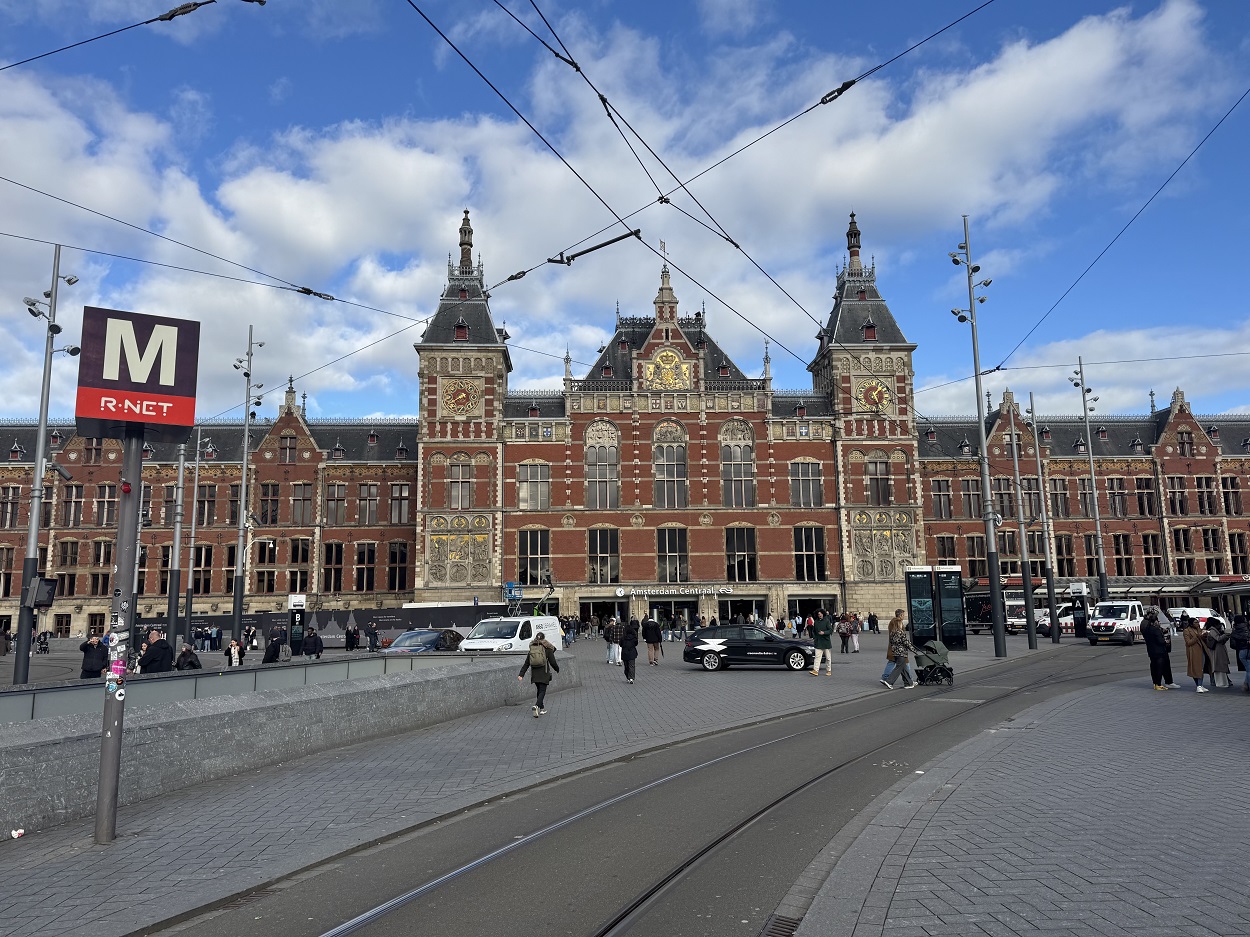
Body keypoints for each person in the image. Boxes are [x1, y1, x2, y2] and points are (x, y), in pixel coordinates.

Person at [517, 630, 559, 716]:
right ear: (544, 638)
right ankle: (536, 706)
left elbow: (526, 663)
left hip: (535, 673)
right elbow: (553, 662)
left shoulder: (532, 649)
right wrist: (557, 669)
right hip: (544, 672)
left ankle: (542, 708)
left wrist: (521, 674)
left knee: (539, 690)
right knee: (542, 690)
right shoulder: (547, 649)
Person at [1140, 610, 1177, 690]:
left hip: (1151, 651)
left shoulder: (1147, 628)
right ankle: (1158, 684)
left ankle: (1156, 683)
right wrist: (1165, 641)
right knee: (1159, 667)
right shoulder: (1155, 629)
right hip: (1159, 651)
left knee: (1154, 667)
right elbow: (1160, 641)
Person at [880, 610, 917, 689]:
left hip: (895, 651)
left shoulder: (893, 632)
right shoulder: (899, 631)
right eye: (903, 615)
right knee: (899, 666)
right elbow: (905, 642)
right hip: (901, 652)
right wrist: (913, 649)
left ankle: (908, 682)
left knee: (902, 666)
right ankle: (889, 680)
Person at [1203, 618, 1232, 689]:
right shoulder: (1213, 631)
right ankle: (1221, 683)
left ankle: (1223, 682)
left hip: (1218, 649)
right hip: (1217, 650)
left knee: (1220, 665)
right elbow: (1218, 639)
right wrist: (1226, 634)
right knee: (1219, 665)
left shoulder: (1213, 630)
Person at [1182, 616, 1209, 692]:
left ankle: (1200, 685)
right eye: (1195, 622)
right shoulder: (1186, 631)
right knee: (1196, 669)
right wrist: (1197, 636)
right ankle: (1199, 685)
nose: (1197, 623)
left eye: (1198, 622)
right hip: (1193, 651)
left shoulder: (1199, 629)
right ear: (1191, 624)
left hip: (1201, 650)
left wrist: (1205, 635)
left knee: (1201, 668)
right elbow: (1188, 642)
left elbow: (1203, 639)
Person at [1231, 614, 1250, 694]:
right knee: (1249, 670)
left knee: (1248, 669)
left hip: (1241, 652)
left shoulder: (1234, 630)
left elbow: (1233, 645)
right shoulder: (1247, 628)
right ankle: (1246, 685)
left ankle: (1246, 685)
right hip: (1249, 649)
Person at [621, 617, 640, 683]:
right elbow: (636, 644)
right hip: (632, 653)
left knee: (626, 666)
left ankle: (628, 677)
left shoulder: (623, 638)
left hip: (625, 653)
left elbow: (620, 644)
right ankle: (631, 677)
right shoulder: (634, 638)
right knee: (632, 665)